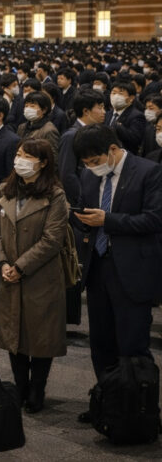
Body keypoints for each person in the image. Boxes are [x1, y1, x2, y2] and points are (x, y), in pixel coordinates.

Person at [72, 124, 162, 423]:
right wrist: (83, 220)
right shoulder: (87, 175)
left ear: (112, 150)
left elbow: (153, 220)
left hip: (133, 269)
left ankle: (140, 411)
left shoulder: (148, 172)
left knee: (133, 344)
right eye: (85, 164)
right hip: (98, 267)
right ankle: (107, 402)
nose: (91, 168)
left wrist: (107, 220)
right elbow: (90, 215)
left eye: (94, 161)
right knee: (101, 343)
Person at [0, 139, 69, 413]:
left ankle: (38, 388)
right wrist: (2, 262)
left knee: (41, 336)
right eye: (18, 154)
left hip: (40, 276)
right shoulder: (5, 189)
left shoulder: (55, 195)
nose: (19, 159)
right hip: (7, 274)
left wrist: (21, 266)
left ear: (43, 162)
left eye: (26, 156)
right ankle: (20, 387)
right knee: (14, 334)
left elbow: (52, 239)